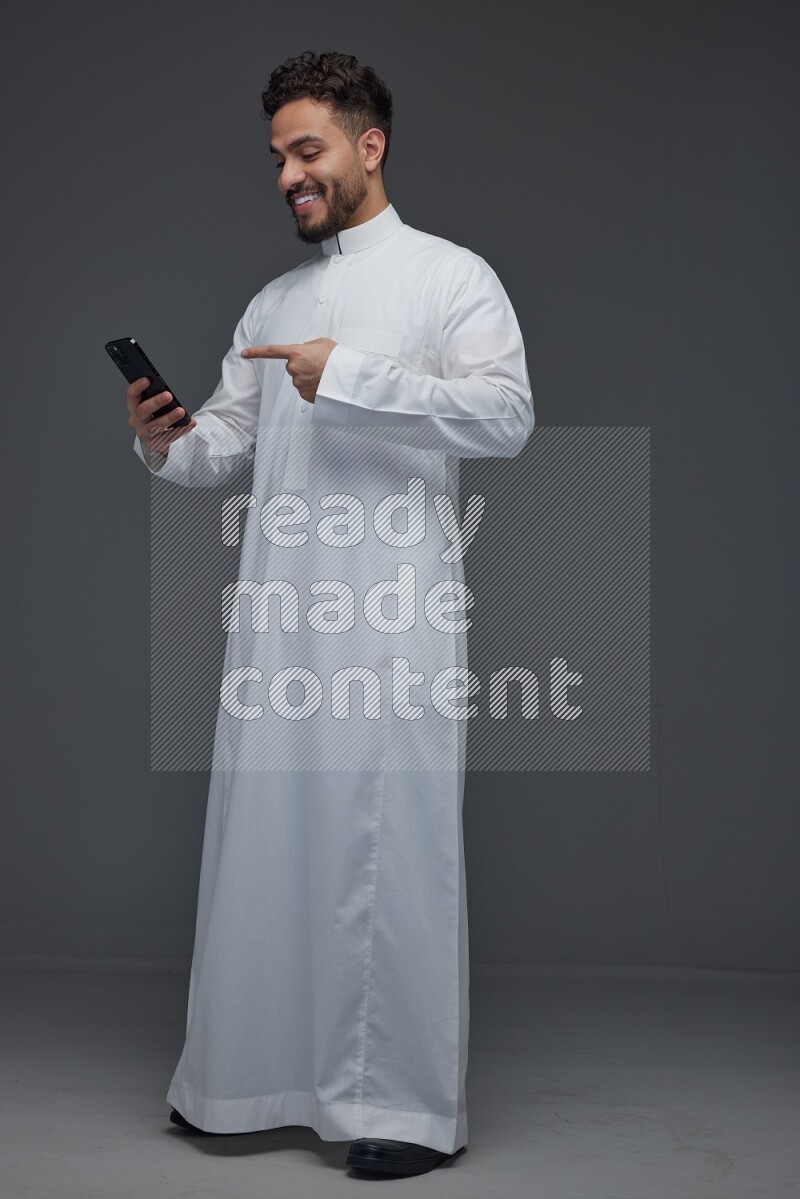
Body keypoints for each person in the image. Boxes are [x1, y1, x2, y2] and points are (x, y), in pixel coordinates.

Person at [126, 49, 534, 1178]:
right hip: (278, 622)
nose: (287, 177)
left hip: (392, 623)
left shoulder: (451, 277)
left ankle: (399, 1111)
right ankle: (240, 1082)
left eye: (305, 152)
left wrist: (348, 374)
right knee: (264, 846)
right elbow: (224, 446)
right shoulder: (274, 300)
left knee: (386, 853)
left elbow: (504, 415)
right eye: (275, 159)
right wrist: (167, 437)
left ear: (369, 144)